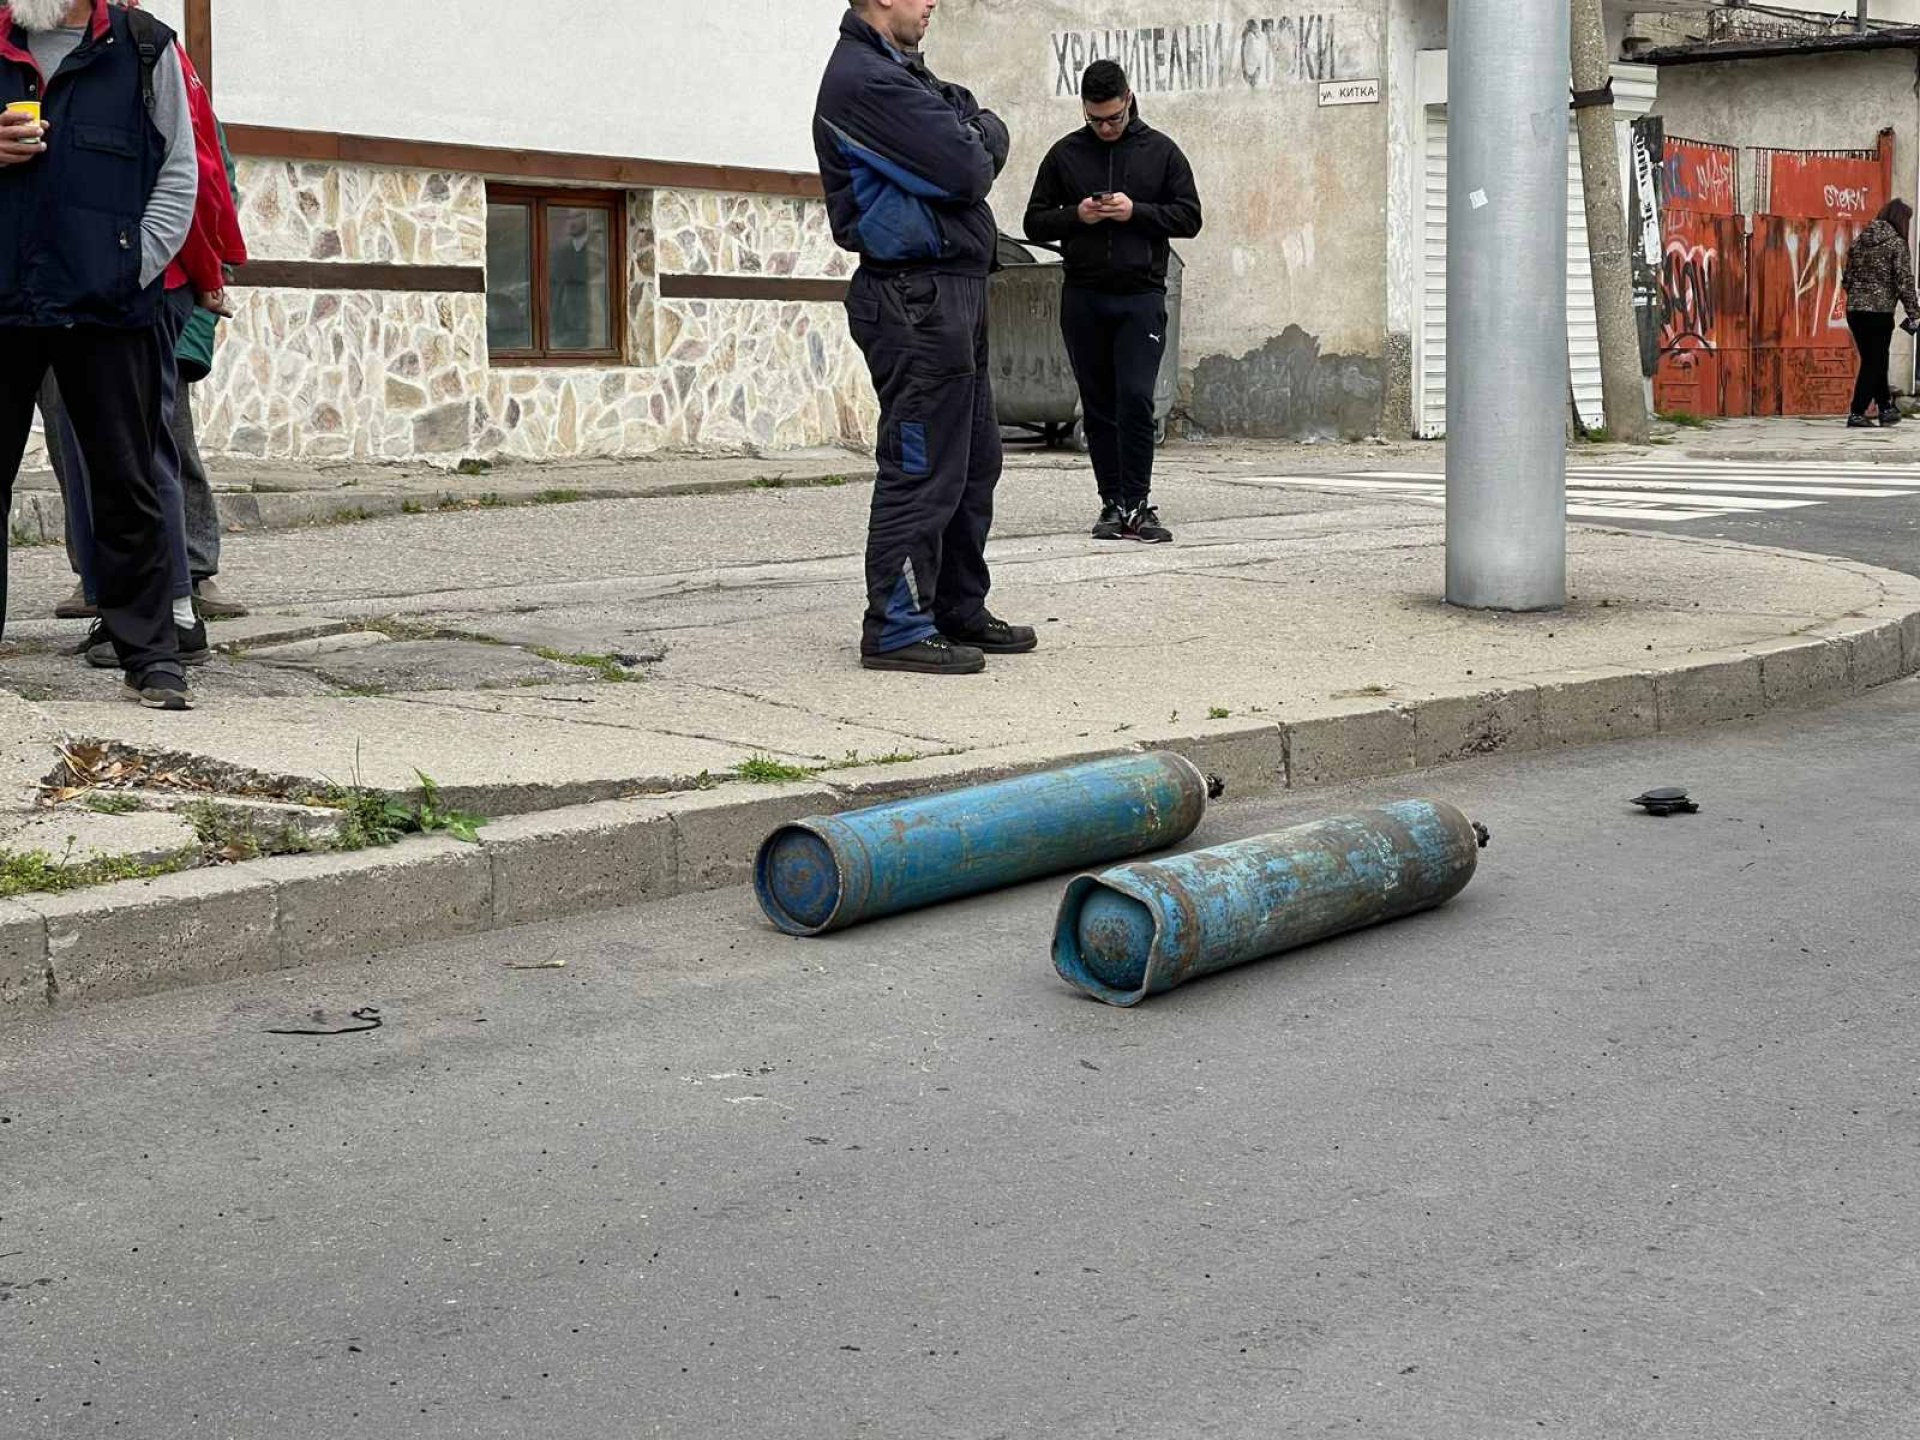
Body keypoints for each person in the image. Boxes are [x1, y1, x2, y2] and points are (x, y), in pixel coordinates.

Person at [814, 0, 1035, 676]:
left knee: (974, 461)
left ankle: (955, 608)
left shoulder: (903, 71)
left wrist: (974, 131)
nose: (932, 1)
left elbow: (978, 119)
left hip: (954, 291)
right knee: (922, 463)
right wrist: (973, 137)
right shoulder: (864, 80)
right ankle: (896, 624)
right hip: (914, 296)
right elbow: (968, 168)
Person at [0, 0, 198, 709]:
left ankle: (151, 657)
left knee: (124, 481)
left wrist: (129, 269)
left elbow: (179, 171)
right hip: (3, 299)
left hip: (106, 306)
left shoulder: (145, 48)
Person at [44, 17, 247, 649]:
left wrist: (207, 270)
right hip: (49, 283)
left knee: (148, 439)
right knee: (77, 444)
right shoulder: (27, 44)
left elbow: (202, 173)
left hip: (148, 283)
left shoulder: (150, 50)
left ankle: (181, 589)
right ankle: (108, 584)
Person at [1025, 60, 1202, 545]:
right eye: (1095, 119)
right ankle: (1111, 504)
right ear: (1084, 108)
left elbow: (1189, 217)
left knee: (1136, 400)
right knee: (1099, 405)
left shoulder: (1161, 152)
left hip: (1141, 294)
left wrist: (1135, 211)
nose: (1105, 128)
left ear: (1129, 99)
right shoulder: (1064, 155)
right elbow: (1034, 223)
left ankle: (1139, 505)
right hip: (1083, 295)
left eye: (1113, 118)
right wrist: (1077, 215)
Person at [1842, 198, 1920, 429]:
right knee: (1874, 362)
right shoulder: (1896, 244)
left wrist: (1858, 294)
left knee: (1875, 360)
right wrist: (1914, 312)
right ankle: (1857, 411)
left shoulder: (1860, 241)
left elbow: (1847, 278)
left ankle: (1885, 408)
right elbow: (1904, 281)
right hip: (1879, 312)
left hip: (1855, 311)